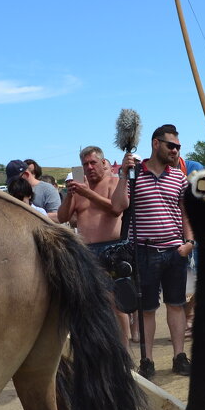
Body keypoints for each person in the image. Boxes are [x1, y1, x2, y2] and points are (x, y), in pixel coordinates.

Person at [113, 124, 195, 379]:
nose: (176, 150)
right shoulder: (135, 174)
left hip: (174, 250)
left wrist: (190, 242)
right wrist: (124, 175)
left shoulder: (179, 176)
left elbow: (185, 213)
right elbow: (117, 206)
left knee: (176, 305)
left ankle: (179, 356)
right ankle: (147, 360)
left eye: (178, 146)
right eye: (172, 145)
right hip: (144, 251)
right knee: (147, 309)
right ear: (156, 144)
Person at [58, 146, 129, 341]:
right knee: (92, 305)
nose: (89, 167)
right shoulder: (79, 189)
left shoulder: (113, 183)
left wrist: (88, 193)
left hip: (112, 249)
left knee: (117, 304)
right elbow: (63, 216)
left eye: (93, 163)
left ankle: (124, 353)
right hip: (87, 251)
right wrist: (71, 194)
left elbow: (116, 209)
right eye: (85, 164)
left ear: (102, 163)